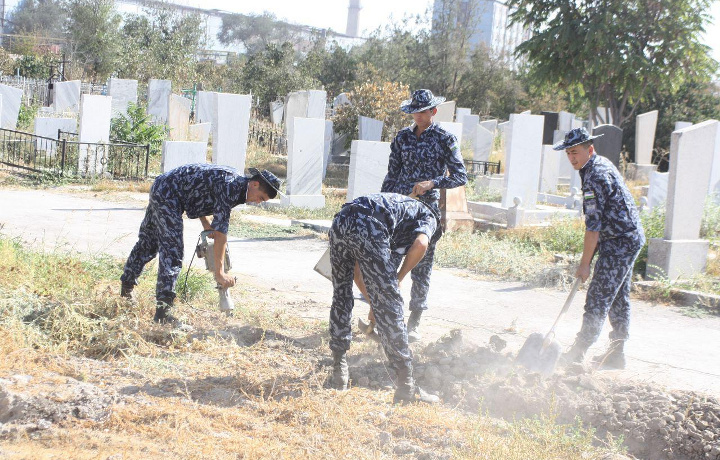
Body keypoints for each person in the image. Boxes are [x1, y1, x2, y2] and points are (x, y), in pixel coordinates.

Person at [120, 164, 281, 327]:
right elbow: (220, 235)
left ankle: (126, 289)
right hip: (169, 192)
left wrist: (206, 223)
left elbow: (199, 192)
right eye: (261, 198)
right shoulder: (232, 186)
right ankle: (163, 314)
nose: (258, 202)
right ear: (255, 184)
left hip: (165, 187)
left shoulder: (236, 185)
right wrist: (220, 273)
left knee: (148, 242)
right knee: (172, 251)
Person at [328, 193, 442, 404]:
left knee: (341, 294)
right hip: (370, 224)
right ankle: (407, 387)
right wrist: (397, 280)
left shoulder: (397, 213)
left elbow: (357, 272)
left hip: (341, 220)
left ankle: (338, 373)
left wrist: (373, 302)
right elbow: (421, 245)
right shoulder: (429, 216)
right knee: (392, 304)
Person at [380, 89, 468, 342]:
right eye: (414, 111)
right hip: (399, 206)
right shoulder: (402, 138)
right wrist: (384, 201)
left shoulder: (445, 139)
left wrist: (433, 183)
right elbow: (392, 173)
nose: (418, 116)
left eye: (422, 111)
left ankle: (415, 321)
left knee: (421, 265)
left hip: (426, 210)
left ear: (433, 111)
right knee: (389, 261)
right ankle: (386, 317)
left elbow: (460, 176)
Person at [555, 128, 645, 369]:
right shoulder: (598, 165)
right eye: (568, 153)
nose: (572, 158)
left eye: (575, 152)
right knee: (617, 296)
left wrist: (585, 264)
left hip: (619, 242)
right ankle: (617, 353)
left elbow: (593, 227)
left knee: (598, 296)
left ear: (590, 149)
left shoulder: (594, 177)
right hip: (627, 237)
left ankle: (578, 351)